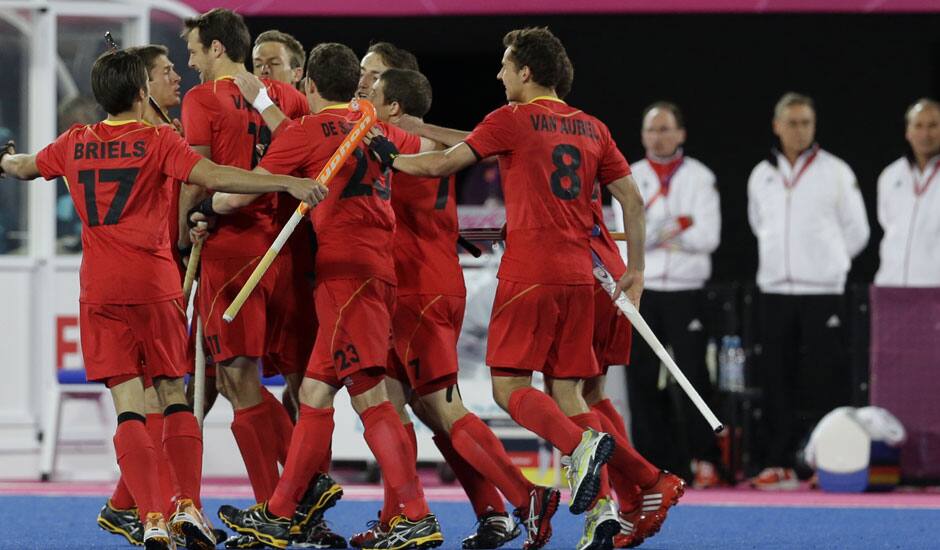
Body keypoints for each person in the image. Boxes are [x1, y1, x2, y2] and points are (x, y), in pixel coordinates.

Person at [370, 27, 684, 550]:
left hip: (529, 274)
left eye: (505, 65)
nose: (498, 74)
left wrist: (386, 153)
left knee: (508, 389)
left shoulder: (512, 119)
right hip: (582, 276)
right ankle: (630, 493)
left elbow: (443, 164)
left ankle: (592, 453)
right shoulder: (593, 127)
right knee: (569, 392)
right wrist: (638, 269)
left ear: (527, 72)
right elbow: (630, 197)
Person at [0, 49, 326, 550]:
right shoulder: (159, 140)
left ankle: (151, 517)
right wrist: (287, 180)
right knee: (175, 397)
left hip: (99, 291)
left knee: (129, 408)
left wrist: (2, 158)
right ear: (139, 94)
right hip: (154, 288)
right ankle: (187, 507)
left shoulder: (74, 142)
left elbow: (24, 167)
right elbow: (216, 177)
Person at [212, 42, 444, 550]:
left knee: (369, 396)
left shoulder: (307, 131)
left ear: (310, 86)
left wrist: (209, 199)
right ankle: (278, 513)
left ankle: (417, 514)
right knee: (314, 394)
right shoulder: (371, 122)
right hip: (376, 268)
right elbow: (428, 153)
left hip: (345, 275)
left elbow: (240, 193)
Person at [363, 67, 561, 550]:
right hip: (417, 285)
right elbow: (478, 143)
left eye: (371, 83)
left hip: (419, 290)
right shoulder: (436, 140)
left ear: (394, 104)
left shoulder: (400, 143)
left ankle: (524, 495)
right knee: (398, 407)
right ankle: (404, 518)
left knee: (443, 408)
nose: (361, 92)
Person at [176, 11, 336, 532]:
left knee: (238, 379)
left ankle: (285, 500)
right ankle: (299, 491)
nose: (191, 60)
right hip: (283, 254)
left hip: (229, 255)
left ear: (219, 48)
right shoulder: (287, 99)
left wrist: (183, 235)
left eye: (195, 50)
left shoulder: (201, 99)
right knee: (285, 381)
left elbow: (196, 177)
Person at [747, 92, 870, 489]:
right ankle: (779, 462)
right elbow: (758, 224)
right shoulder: (760, 175)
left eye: (806, 123)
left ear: (814, 127)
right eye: (792, 123)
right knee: (776, 380)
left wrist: (828, 265)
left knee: (823, 378)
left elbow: (858, 231)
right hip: (775, 290)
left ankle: (824, 462)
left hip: (823, 292)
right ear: (776, 125)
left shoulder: (835, 171)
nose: (799, 130)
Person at [612, 101, 722, 488]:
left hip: (688, 291)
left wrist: (653, 232)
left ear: (681, 134)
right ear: (643, 136)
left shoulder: (700, 177)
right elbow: (625, 240)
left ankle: (704, 458)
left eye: (665, 128)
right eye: (652, 130)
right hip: (644, 288)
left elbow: (708, 237)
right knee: (641, 379)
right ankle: (652, 462)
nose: (659, 136)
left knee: (693, 375)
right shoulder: (627, 175)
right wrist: (679, 226)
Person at [874, 98, 940, 287]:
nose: (925, 133)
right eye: (918, 126)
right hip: (891, 285)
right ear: (908, 132)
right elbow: (886, 223)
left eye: (933, 125)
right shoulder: (890, 175)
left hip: (935, 287)